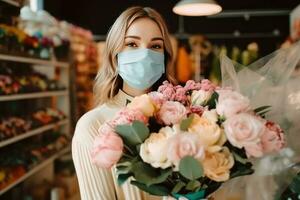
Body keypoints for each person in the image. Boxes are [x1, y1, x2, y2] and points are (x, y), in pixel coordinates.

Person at [72, 6, 176, 200]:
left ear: (165, 56)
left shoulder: (180, 116)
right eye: (132, 44)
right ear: (114, 55)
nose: (145, 54)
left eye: (155, 46)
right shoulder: (92, 127)